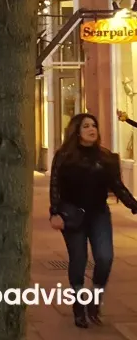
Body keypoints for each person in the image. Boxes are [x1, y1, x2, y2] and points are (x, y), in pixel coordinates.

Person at [49, 113, 137, 328]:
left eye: (94, 125)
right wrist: (55, 213)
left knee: (105, 258)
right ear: (77, 131)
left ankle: (95, 299)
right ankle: (79, 306)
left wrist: (134, 205)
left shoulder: (105, 158)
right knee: (78, 260)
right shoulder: (64, 156)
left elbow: (117, 186)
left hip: (98, 214)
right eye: (86, 125)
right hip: (72, 216)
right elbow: (55, 186)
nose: (92, 129)